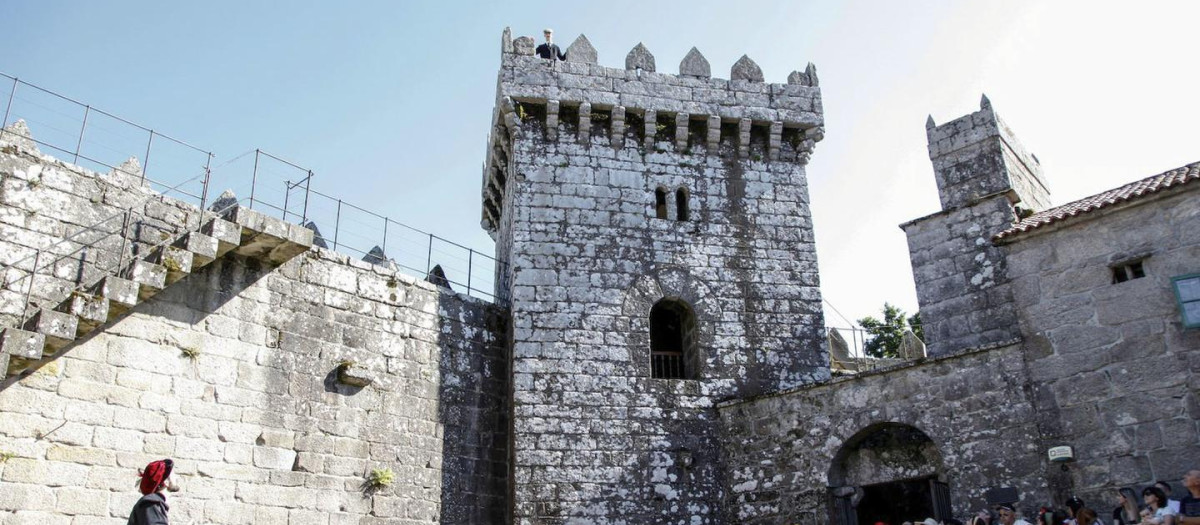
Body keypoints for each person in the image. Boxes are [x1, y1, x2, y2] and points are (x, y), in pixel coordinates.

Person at [128, 458, 179, 525]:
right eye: (173, 475)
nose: (177, 477)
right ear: (166, 482)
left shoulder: (153, 502)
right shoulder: (152, 503)